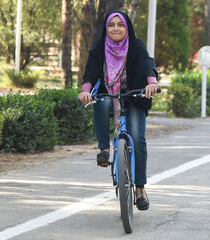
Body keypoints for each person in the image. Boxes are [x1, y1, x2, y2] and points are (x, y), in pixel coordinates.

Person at [78, 11, 158, 211]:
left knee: (138, 138)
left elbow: (147, 63)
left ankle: (140, 188)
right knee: (102, 102)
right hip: (109, 95)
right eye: (111, 25)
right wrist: (85, 91)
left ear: (126, 27)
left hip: (134, 96)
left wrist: (152, 82)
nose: (115, 28)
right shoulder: (98, 48)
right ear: (106, 28)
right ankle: (104, 150)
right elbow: (91, 72)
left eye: (120, 25)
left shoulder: (136, 45)